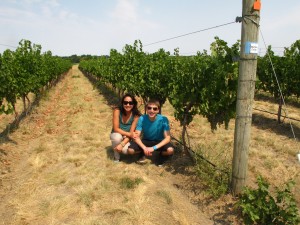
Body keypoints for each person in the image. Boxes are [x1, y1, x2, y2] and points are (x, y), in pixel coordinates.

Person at [128, 99, 174, 166]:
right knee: (130, 150)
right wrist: (144, 148)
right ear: (146, 109)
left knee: (170, 150)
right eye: (149, 108)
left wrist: (153, 148)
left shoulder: (163, 119)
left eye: (154, 109)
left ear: (158, 110)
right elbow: (136, 136)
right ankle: (143, 152)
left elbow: (167, 138)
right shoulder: (142, 118)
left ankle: (161, 154)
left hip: (159, 141)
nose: (152, 110)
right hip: (146, 141)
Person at [110, 93, 141, 162]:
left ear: (134, 104)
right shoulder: (117, 111)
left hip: (127, 137)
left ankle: (140, 152)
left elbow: (131, 133)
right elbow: (116, 128)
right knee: (117, 137)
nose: (128, 105)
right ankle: (116, 157)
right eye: (125, 103)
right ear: (122, 103)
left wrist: (122, 144)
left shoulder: (136, 116)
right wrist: (129, 134)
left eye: (130, 103)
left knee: (125, 151)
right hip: (116, 133)